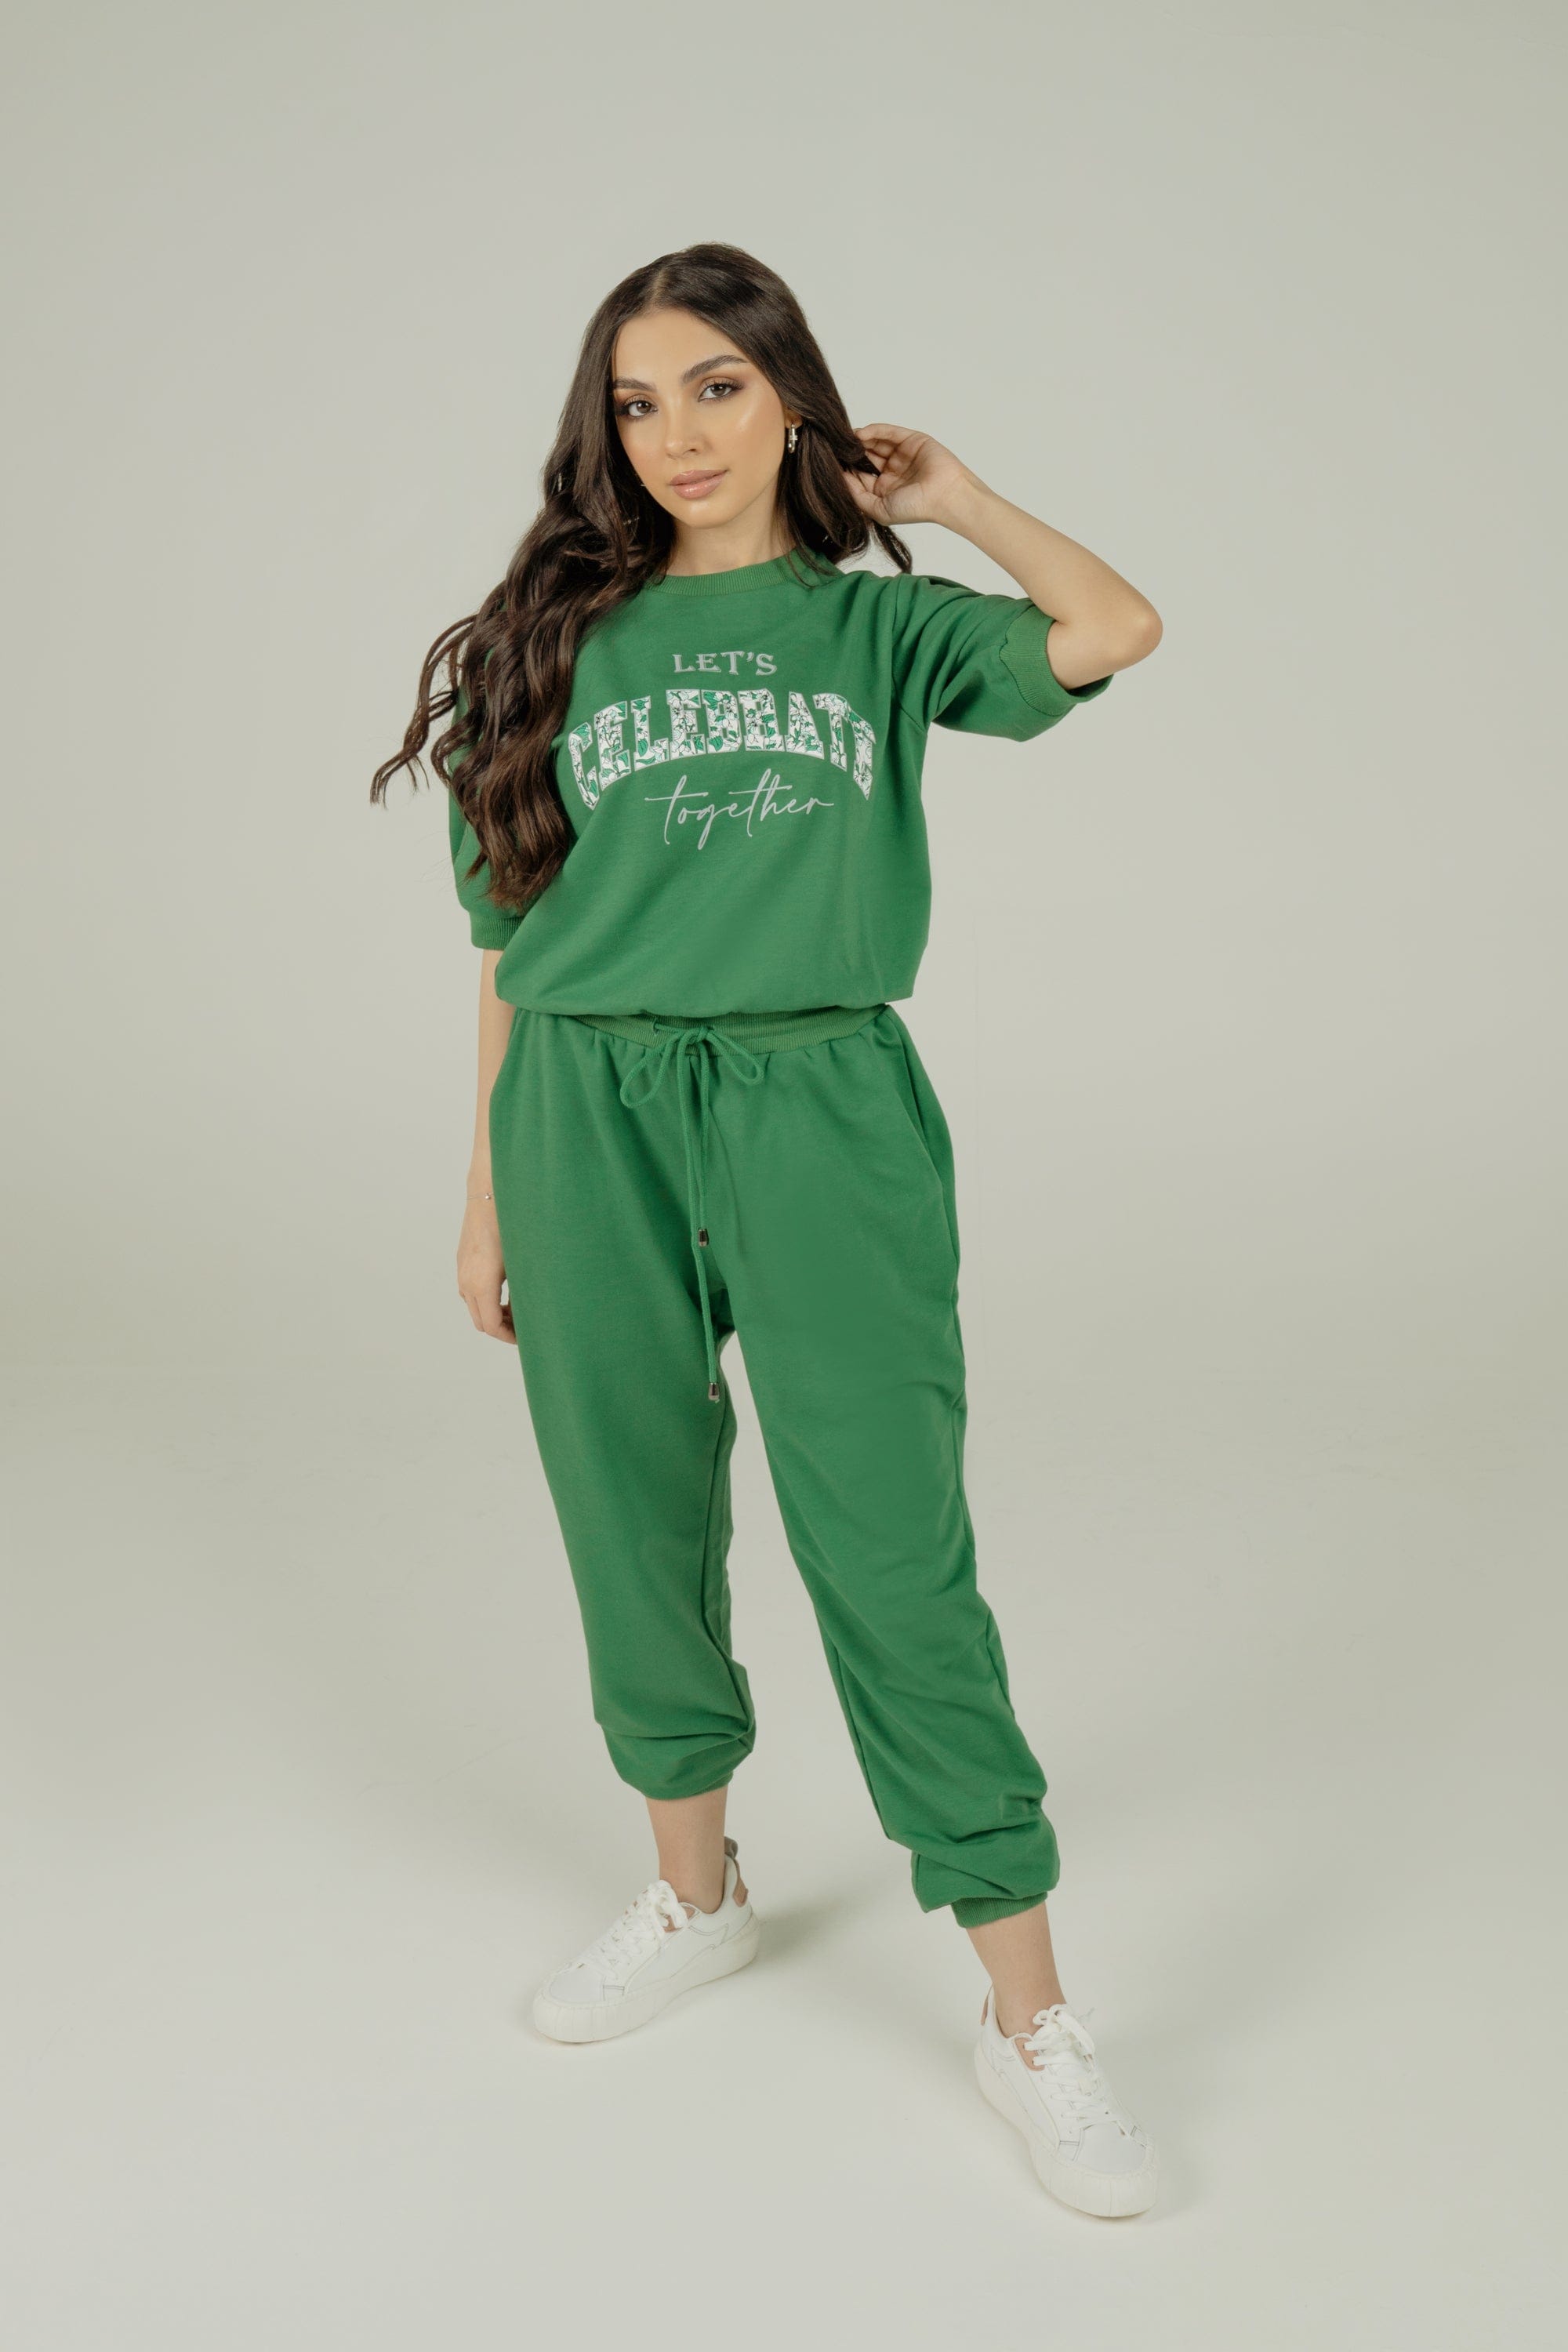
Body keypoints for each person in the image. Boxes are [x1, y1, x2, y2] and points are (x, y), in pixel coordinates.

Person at [372, 242, 1164, 2219]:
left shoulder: (874, 630)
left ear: (792, 395)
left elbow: (1114, 627)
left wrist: (955, 500)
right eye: (637, 403)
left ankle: (1029, 2014)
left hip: (821, 1103)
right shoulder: (539, 645)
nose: (679, 435)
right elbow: (506, 942)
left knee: (890, 1541)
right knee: (628, 1506)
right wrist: (484, 1190)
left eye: (717, 387)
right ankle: (694, 1891)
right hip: (581, 1113)